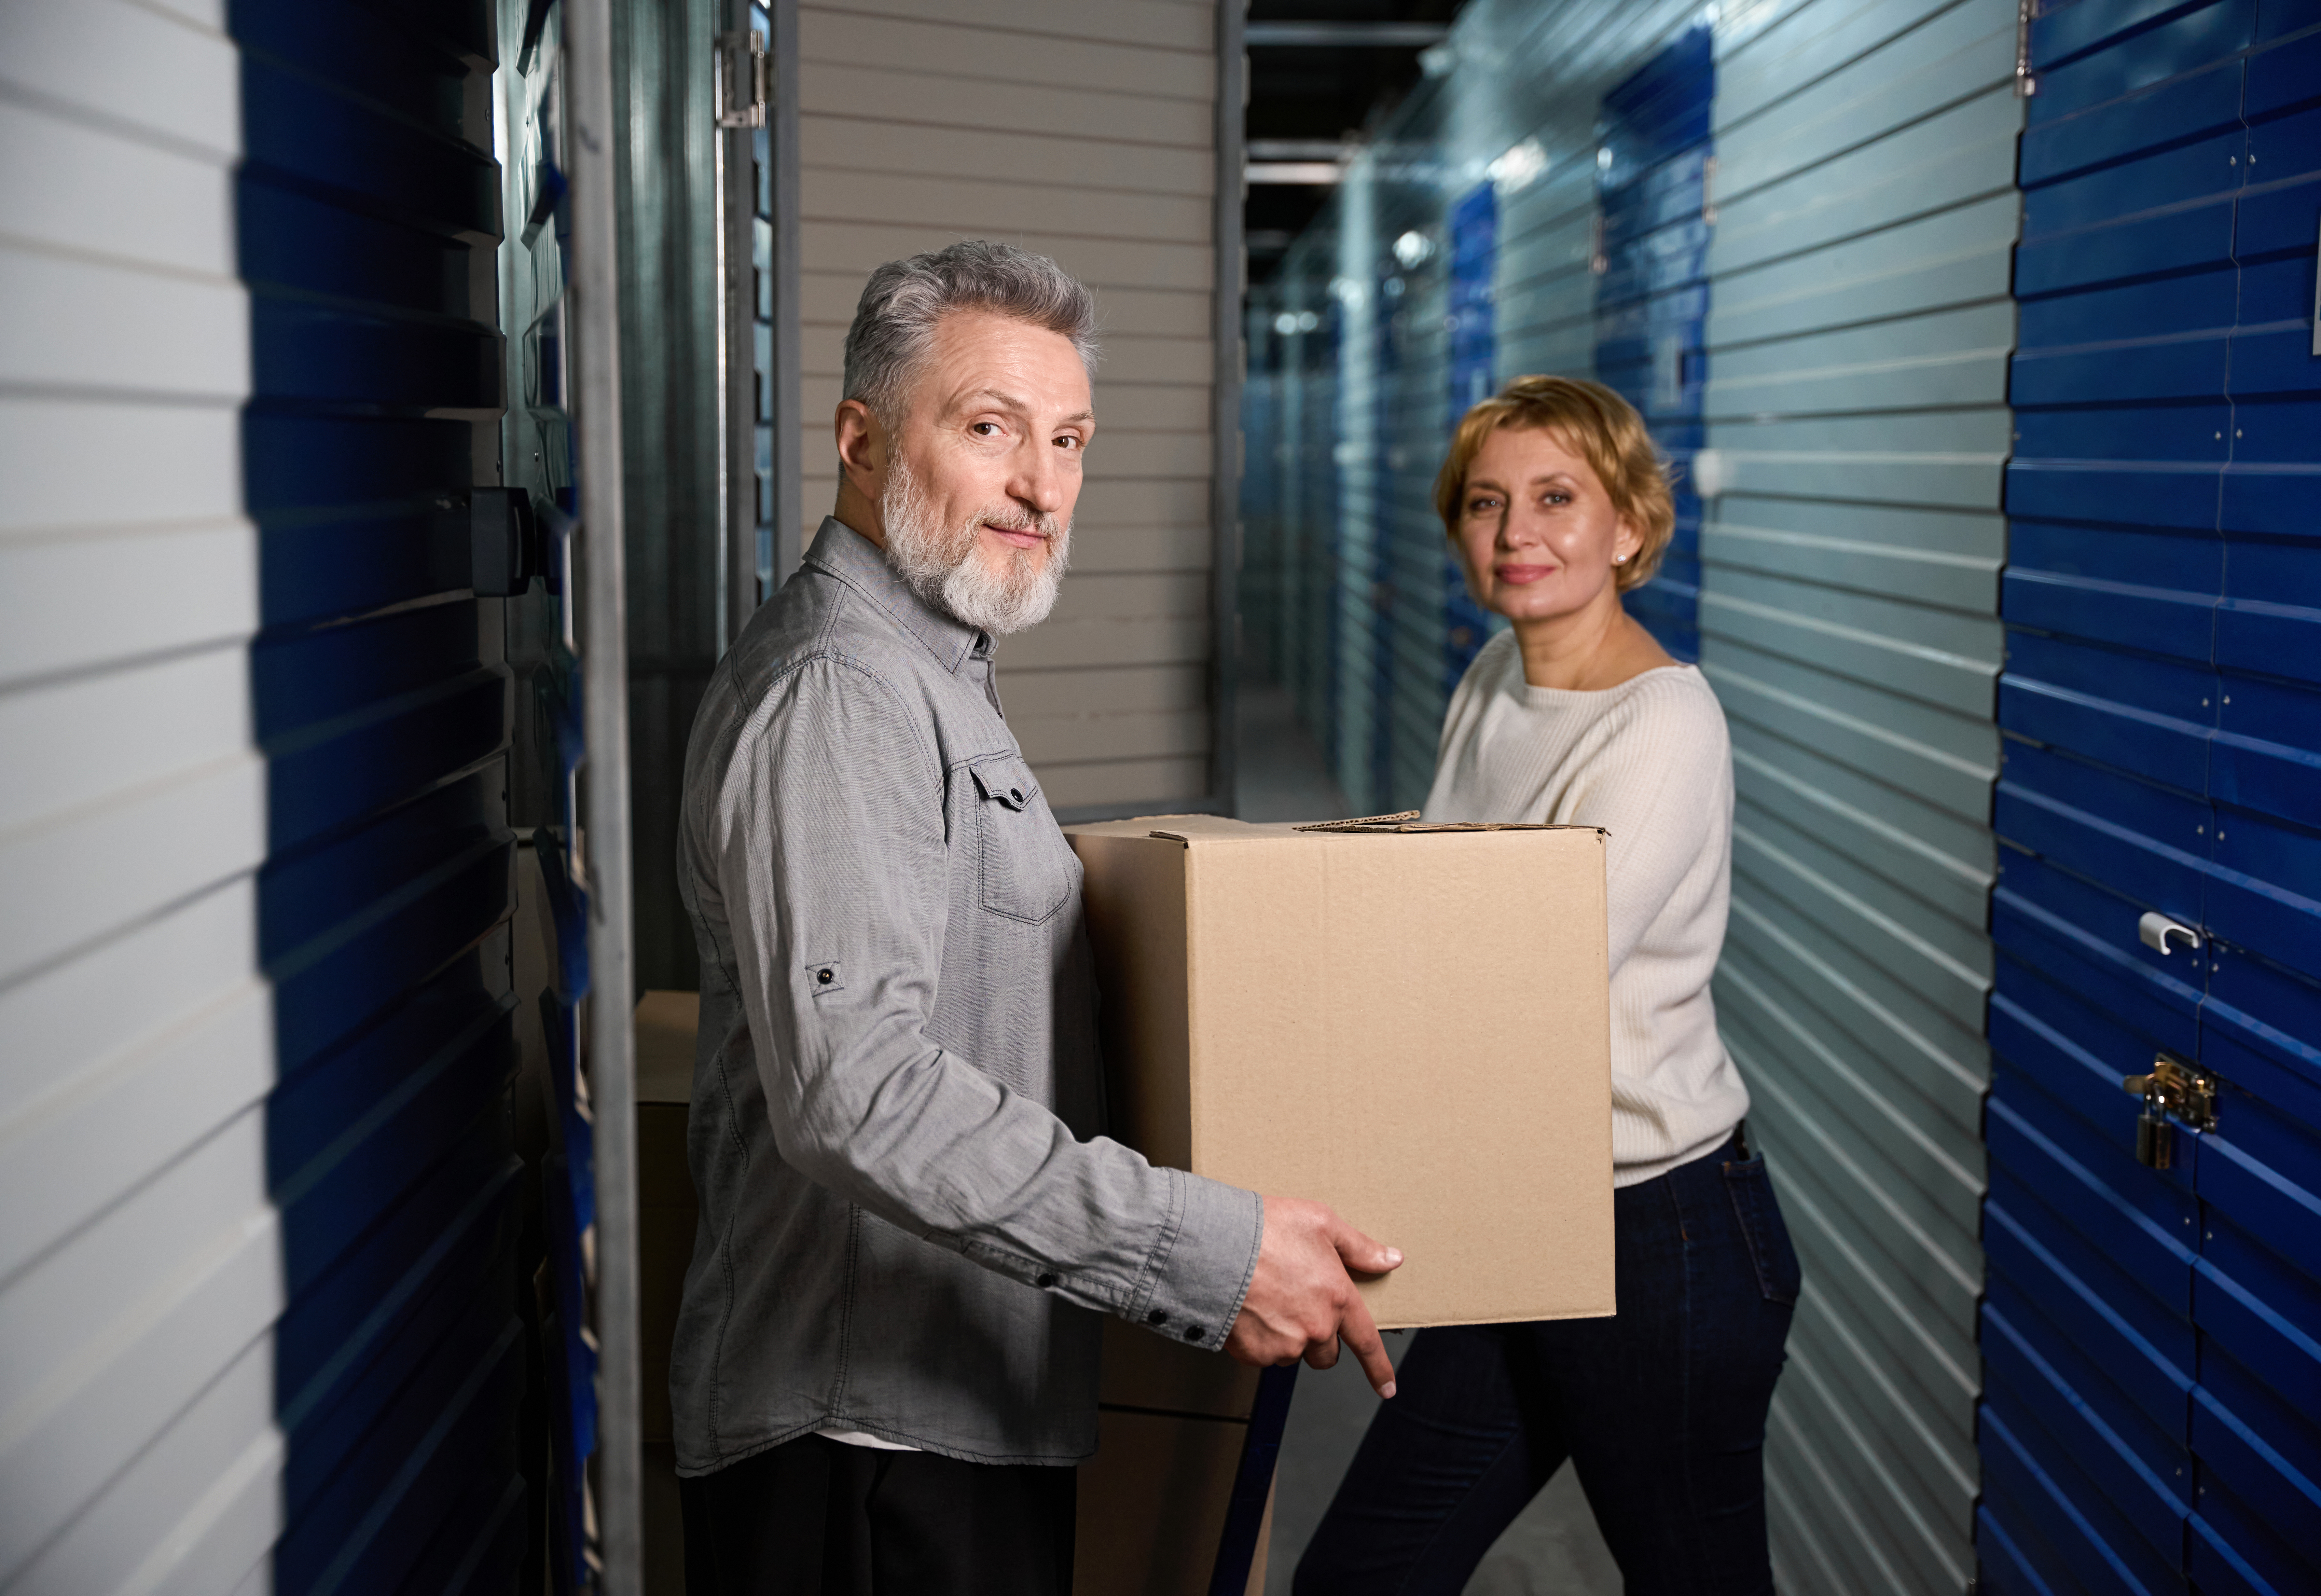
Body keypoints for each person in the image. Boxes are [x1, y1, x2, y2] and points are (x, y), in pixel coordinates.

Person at [671, 239, 1403, 1595]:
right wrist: (1208, 1247)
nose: (1041, 486)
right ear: (860, 437)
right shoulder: (845, 693)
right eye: (990, 428)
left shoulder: (935, 675)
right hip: (864, 1450)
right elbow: (859, 1091)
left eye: (1070, 440)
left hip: (953, 1420)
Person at [1295, 376, 1800, 1595]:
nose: (1516, 533)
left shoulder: (1663, 726)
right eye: (1486, 502)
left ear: (1629, 525)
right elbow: (1437, 902)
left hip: (1658, 1231)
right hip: (1526, 1209)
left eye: (1557, 498)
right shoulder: (1492, 681)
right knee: (1362, 1575)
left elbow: (1520, 984)